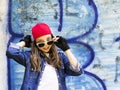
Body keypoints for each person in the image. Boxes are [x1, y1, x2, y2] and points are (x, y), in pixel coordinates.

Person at [6, 23, 83, 90]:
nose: (46, 46)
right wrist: (24, 42)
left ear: (53, 39)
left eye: (49, 41)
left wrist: (66, 49)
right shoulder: (30, 57)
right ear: (35, 44)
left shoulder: (60, 57)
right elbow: (11, 52)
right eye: (41, 43)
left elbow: (77, 71)